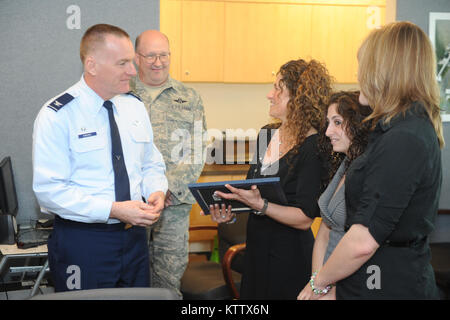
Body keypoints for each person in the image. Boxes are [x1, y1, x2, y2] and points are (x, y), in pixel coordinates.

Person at [301, 21, 444, 300]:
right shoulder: (395, 130)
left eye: (362, 66)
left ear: (384, 72)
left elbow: (362, 242)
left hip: (389, 284)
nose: (357, 74)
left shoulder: (404, 138)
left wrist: (318, 285)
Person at [32, 24, 168, 292]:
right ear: (92, 65)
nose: (133, 70)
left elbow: (151, 162)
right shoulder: (58, 115)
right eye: (123, 63)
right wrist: (114, 209)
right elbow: (50, 191)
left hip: (135, 239)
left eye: (132, 61)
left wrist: (157, 191)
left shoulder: (134, 107)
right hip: (84, 242)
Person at [205, 59, 333, 299]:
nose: (269, 95)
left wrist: (261, 205)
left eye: (278, 89)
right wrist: (229, 213)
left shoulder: (314, 146)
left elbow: (305, 218)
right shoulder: (267, 132)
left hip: (290, 259)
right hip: (256, 253)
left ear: (298, 99)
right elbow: (251, 192)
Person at [130, 30, 207, 297]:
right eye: (150, 55)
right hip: (130, 206)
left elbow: (197, 151)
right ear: (137, 57)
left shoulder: (189, 97)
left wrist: (167, 190)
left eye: (163, 55)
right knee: (129, 280)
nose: (158, 62)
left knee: (168, 281)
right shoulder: (121, 93)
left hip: (173, 206)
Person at [297, 91, 372, 300]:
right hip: (326, 281)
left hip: (353, 284)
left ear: (359, 124)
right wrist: (317, 283)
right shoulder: (344, 164)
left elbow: (366, 248)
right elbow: (324, 232)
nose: (329, 131)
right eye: (328, 123)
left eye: (337, 122)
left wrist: (333, 292)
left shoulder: (369, 171)